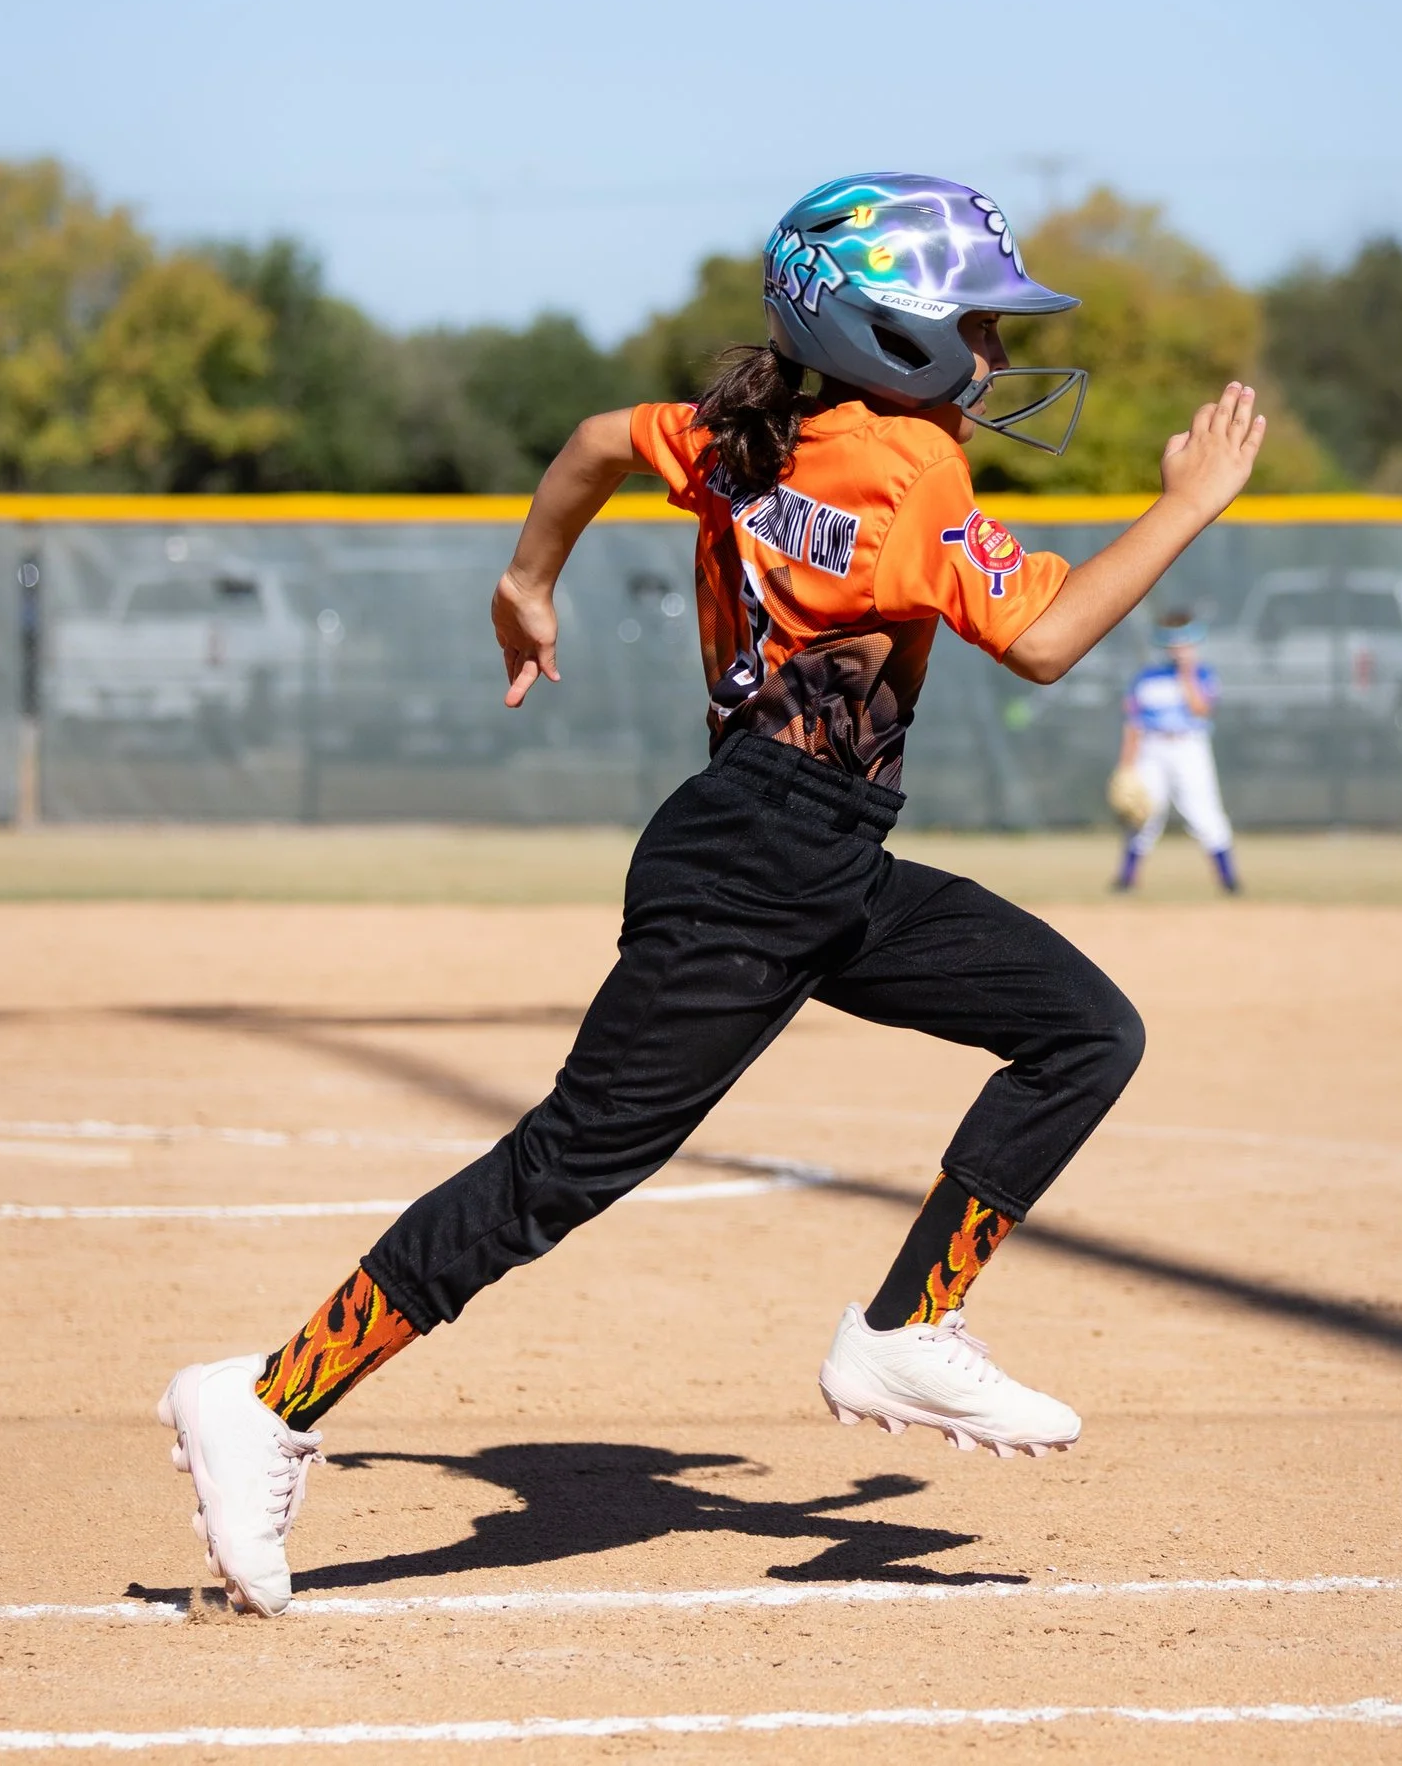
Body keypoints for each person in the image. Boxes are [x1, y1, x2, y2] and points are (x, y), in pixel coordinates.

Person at [159, 173, 1267, 1614]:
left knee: (1080, 1027)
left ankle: (905, 1325)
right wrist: (1185, 507)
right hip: (766, 862)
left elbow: (588, 443)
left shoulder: (754, 433)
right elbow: (1045, 639)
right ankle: (265, 1395)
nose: (994, 354)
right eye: (976, 326)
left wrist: (527, 580)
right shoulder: (908, 466)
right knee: (563, 1168)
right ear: (889, 333)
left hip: (806, 852)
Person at [1114, 610, 1239, 893]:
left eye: (1184, 643)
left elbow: (1201, 708)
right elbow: (1133, 724)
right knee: (1143, 813)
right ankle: (1126, 879)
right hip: (1152, 747)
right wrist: (1126, 765)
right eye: (1174, 644)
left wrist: (1187, 671)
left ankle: (1229, 880)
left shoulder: (1203, 674)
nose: (1178, 649)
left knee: (1204, 812)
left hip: (1189, 746)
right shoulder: (1147, 678)